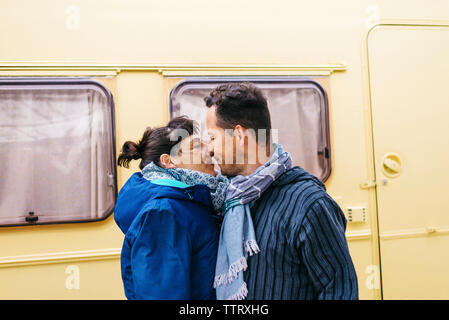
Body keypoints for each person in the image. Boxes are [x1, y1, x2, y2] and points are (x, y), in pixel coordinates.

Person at [205, 82, 359, 300]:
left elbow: (339, 291)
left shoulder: (309, 204)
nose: (209, 149)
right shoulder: (233, 200)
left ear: (239, 136)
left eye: (213, 137)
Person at [114, 116, 228, 300]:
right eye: (196, 146)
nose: (211, 150)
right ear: (169, 161)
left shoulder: (190, 199)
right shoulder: (163, 212)